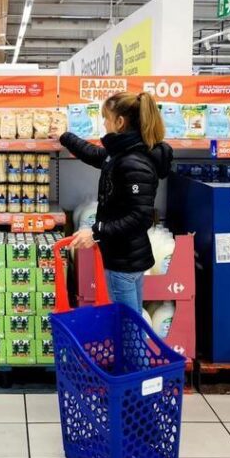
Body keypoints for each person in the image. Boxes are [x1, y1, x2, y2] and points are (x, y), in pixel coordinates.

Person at [59, 92, 173, 312]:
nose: (103, 123)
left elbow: (139, 218)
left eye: (106, 118)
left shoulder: (133, 163)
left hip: (123, 263)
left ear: (120, 122)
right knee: (133, 323)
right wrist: (64, 136)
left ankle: (130, 349)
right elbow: (95, 155)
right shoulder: (125, 154)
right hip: (129, 257)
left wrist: (96, 232)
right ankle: (133, 347)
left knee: (127, 327)